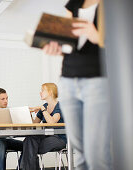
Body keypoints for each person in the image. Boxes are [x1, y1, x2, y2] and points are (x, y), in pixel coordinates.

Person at [42, 0, 111, 169]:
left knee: (97, 154)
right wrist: (57, 47)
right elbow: (68, 41)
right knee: (79, 152)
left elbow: (122, 44)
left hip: (98, 80)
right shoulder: (74, 3)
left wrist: (96, 35)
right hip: (68, 80)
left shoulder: (115, 5)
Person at [20, 83, 66, 170]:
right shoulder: (44, 106)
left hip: (58, 138)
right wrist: (28, 114)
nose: (40, 93)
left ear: (50, 92)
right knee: (29, 140)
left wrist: (42, 109)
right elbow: (34, 123)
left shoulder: (59, 106)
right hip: (45, 136)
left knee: (29, 147)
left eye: (42, 90)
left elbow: (52, 122)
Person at [0, 88, 23, 170]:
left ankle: (20, 168)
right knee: (1, 144)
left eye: (7, 98)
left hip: (7, 139)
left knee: (27, 146)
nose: (6, 101)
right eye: (3, 99)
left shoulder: (10, 109)